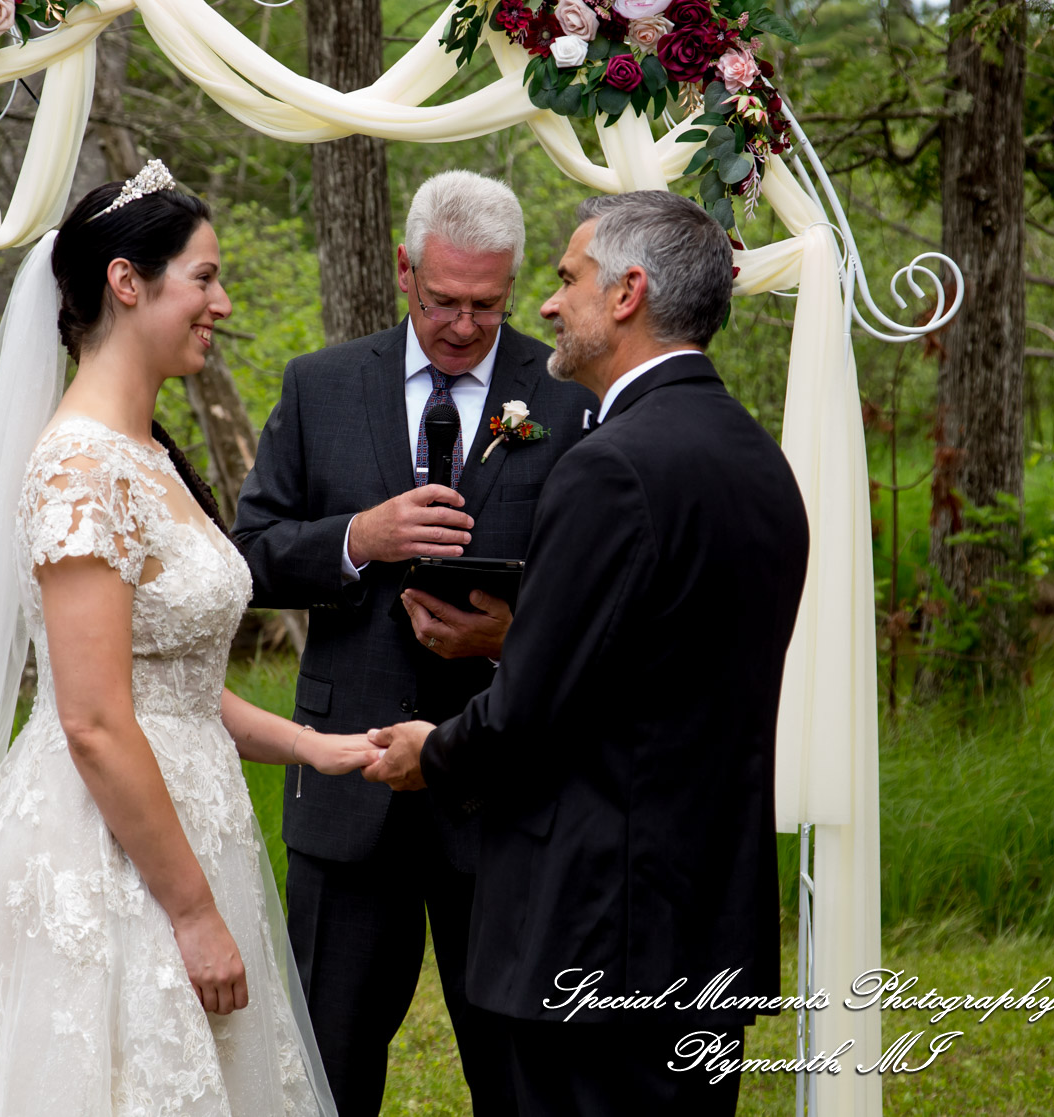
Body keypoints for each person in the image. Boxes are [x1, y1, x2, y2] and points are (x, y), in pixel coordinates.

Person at [0, 163, 374, 1117]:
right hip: (108, 851)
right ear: (127, 281)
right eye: (203, 277)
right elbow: (97, 720)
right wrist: (192, 913)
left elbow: (169, 681)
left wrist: (310, 745)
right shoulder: (80, 467)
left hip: (185, 827)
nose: (221, 302)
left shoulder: (146, 452)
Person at [363, 191, 811, 1116]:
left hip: (595, 927)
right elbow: (659, 668)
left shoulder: (612, 464)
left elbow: (531, 713)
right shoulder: (759, 460)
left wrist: (429, 754)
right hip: (703, 915)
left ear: (627, 292)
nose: (548, 304)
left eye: (568, 278)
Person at [232, 170, 597, 1116]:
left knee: (517, 1071)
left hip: (502, 792)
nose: (465, 325)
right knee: (328, 1067)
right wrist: (360, 537)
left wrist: (509, 636)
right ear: (404, 270)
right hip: (348, 782)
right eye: (443, 300)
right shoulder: (320, 385)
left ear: (516, 286)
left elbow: (594, 587)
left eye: (487, 304)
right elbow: (249, 558)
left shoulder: (564, 396)